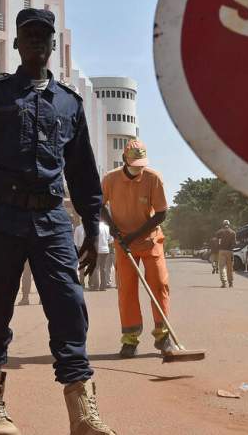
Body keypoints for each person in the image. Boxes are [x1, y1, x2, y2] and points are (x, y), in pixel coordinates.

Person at [0, 8, 115, 435]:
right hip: (1, 216)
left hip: (53, 218)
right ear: (17, 44)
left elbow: (83, 174)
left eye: (44, 36)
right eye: (29, 36)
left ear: (52, 46)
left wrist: (92, 228)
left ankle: (82, 415)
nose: (37, 42)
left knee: (70, 306)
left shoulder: (69, 103)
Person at [101, 140, 174, 358]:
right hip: (123, 246)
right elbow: (98, 205)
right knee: (126, 291)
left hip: (150, 241)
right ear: (125, 160)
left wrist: (134, 235)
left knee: (159, 285)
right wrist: (113, 229)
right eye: (134, 164)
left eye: (141, 164)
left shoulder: (153, 178)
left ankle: (163, 336)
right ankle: (130, 340)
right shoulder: (110, 179)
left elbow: (161, 213)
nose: (138, 168)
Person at [75, 218, 111, 291]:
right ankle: (102, 286)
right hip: (104, 250)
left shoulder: (91, 227)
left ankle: (94, 285)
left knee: (95, 268)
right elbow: (110, 240)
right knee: (102, 268)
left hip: (93, 250)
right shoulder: (106, 228)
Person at [214, 220, 237, 288]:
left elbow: (216, 242)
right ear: (229, 225)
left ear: (223, 224)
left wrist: (218, 248)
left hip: (221, 251)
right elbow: (234, 243)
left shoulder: (219, 232)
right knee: (230, 267)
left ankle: (224, 282)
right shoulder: (233, 232)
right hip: (230, 251)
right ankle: (231, 283)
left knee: (222, 267)